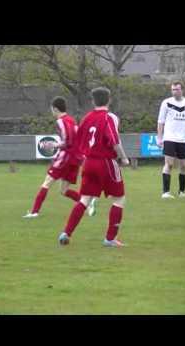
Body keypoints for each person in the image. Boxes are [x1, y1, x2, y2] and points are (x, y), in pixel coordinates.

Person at [58, 87, 129, 248]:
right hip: (106, 162)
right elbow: (115, 141)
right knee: (119, 199)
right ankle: (110, 239)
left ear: (92, 100)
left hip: (88, 162)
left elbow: (78, 141)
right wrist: (124, 158)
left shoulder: (87, 118)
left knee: (84, 199)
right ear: (109, 100)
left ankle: (66, 233)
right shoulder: (108, 117)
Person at [23, 96, 96, 218]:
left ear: (55, 109)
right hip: (75, 159)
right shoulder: (71, 120)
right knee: (64, 190)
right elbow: (77, 137)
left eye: (52, 109)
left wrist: (55, 145)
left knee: (46, 183)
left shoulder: (61, 121)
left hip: (65, 157)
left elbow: (68, 140)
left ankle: (34, 212)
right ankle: (88, 203)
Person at [157, 81, 185, 199]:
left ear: (182, 90)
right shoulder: (166, 103)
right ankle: (166, 192)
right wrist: (159, 138)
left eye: (177, 89)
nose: (174, 91)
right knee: (169, 164)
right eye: (173, 89)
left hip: (183, 139)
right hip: (169, 138)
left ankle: (182, 192)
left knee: (184, 166)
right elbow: (160, 121)